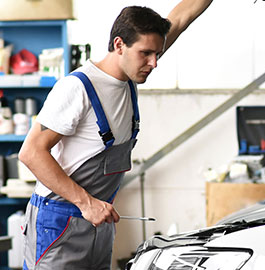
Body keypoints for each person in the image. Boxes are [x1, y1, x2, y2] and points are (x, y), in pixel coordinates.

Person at [18, 1, 212, 269]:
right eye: (146, 53)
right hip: (59, 224)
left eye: (157, 53)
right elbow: (31, 153)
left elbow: (179, 20)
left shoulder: (131, 71)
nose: (154, 63)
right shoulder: (77, 88)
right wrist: (86, 204)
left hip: (99, 222)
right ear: (119, 45)